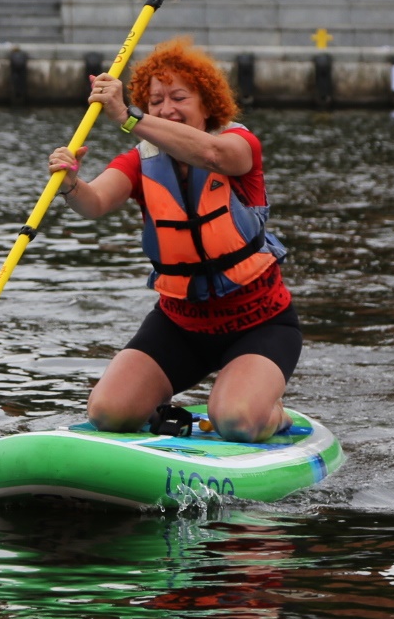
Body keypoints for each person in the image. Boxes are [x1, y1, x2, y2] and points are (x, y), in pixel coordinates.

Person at [48, 39, 296, 442]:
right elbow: (94, 204)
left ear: (207, 104)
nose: (167, 109)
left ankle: (272, 414)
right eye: (156, 101)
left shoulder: (237, 144)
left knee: (236, 421)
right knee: (108, 413)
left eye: (179, 98)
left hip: (259, 324)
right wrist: (71, 183)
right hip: (181, 324)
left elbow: (212, 155)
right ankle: (157, 410)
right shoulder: (140, 161)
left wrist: (127, 116)